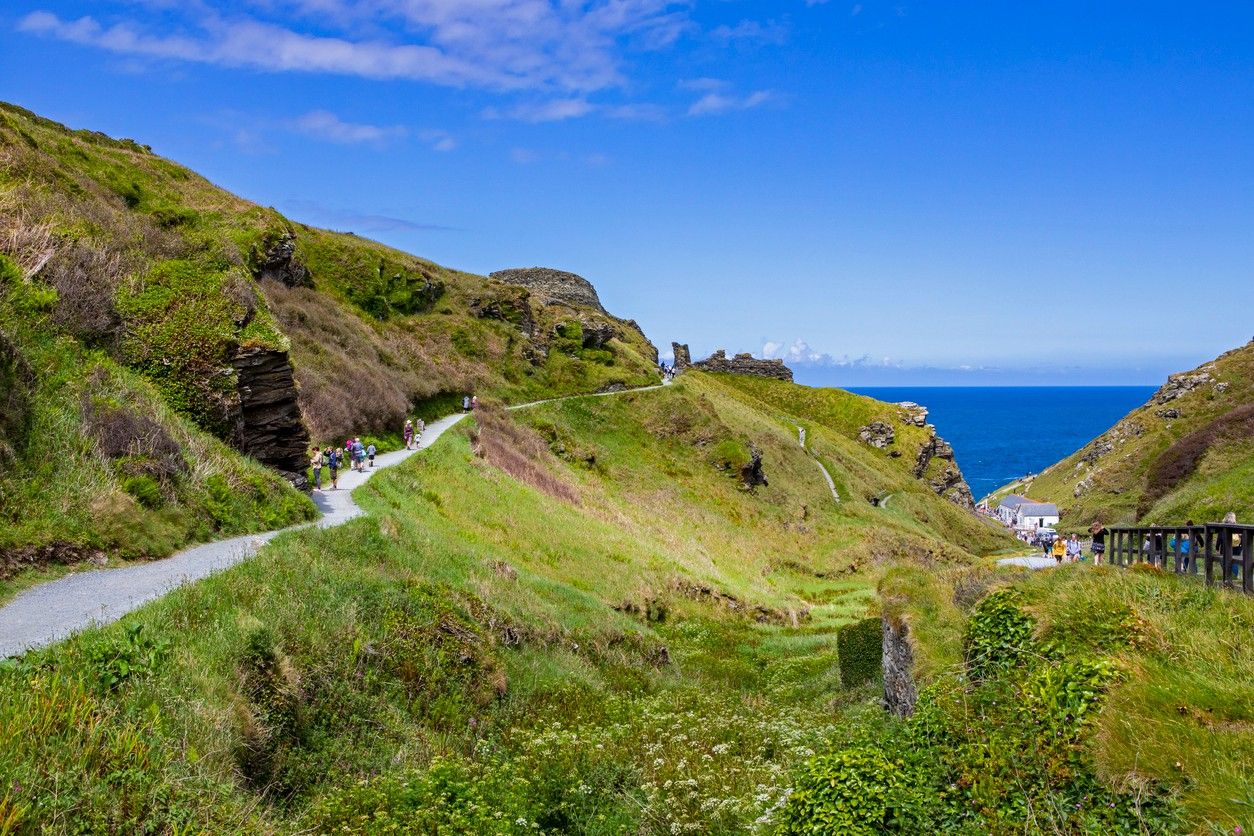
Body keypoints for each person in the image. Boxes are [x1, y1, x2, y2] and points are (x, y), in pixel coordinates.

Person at [1224, 511, 1244, 581]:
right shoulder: (1237, 526)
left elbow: (1220, 537)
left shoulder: (1224, 525)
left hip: (1228, 546)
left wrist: (1218, 546)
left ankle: (1231, 576)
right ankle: (1235, 576)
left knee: (1228, 560)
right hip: (1238, 546)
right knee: (1235, 561)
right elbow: (1242, 536)